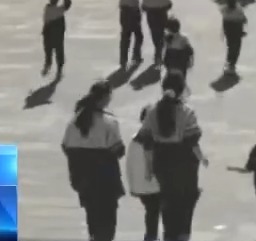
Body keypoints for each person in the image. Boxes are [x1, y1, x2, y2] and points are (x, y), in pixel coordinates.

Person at [140, 70, 203, 241]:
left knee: (168, 205)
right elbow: (192, 142)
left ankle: (169, 235)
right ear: (182, 88)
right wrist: (202, 158)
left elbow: (147, 144)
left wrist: (148, 169)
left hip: (162, 162)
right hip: (185, 164)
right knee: (186, 205)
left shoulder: (151, 112)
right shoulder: (187, 112)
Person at [61, 82, 125, 241]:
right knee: (107, 222)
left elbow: (66, 147)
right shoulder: (109, 122)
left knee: (92, 216)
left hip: (83, 179)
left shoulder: (74, 122)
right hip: (105, 179)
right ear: (105, 98)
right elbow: (118, 150)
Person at [127, 107, 161, 241]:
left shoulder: (135, 139)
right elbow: (151, 162)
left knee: (152, 212)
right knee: (155, 212)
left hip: (140, 186)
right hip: (152, 185)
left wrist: (132, 186)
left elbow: (129, 165)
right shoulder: (151, 137)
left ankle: (151, 236)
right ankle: (152, 237)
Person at [42, 0, 73, 78]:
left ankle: (48, 65)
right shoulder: (59, 10)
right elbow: (68, 3)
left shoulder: (48, 8)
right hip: (57, 34)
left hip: (48, 32)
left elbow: (46, 21)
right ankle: (58, 70)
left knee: (48, 51)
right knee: (59, 51)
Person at [142, 0, 172, 67]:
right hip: (162, 18)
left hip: (152, 19)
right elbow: (169, 5)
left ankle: (157, 56)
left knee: (155, 37)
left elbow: (143, 8)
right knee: (162, 37)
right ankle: (159, 56)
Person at [119, 0, 144, 69]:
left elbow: (121, 6)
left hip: (124, 18)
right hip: (133, 18)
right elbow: (136, 7)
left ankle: (123, 60)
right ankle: (136, 56)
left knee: (125, 40)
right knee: (139, 37)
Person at [221, 0, 248, 75]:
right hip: (236, 30)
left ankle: (230, 62)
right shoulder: (238, 9)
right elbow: (243, 19)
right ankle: (232, 64)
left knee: (230, 46)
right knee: (236, 47)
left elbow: (224, 20)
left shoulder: (224, 9)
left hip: (229, 30)